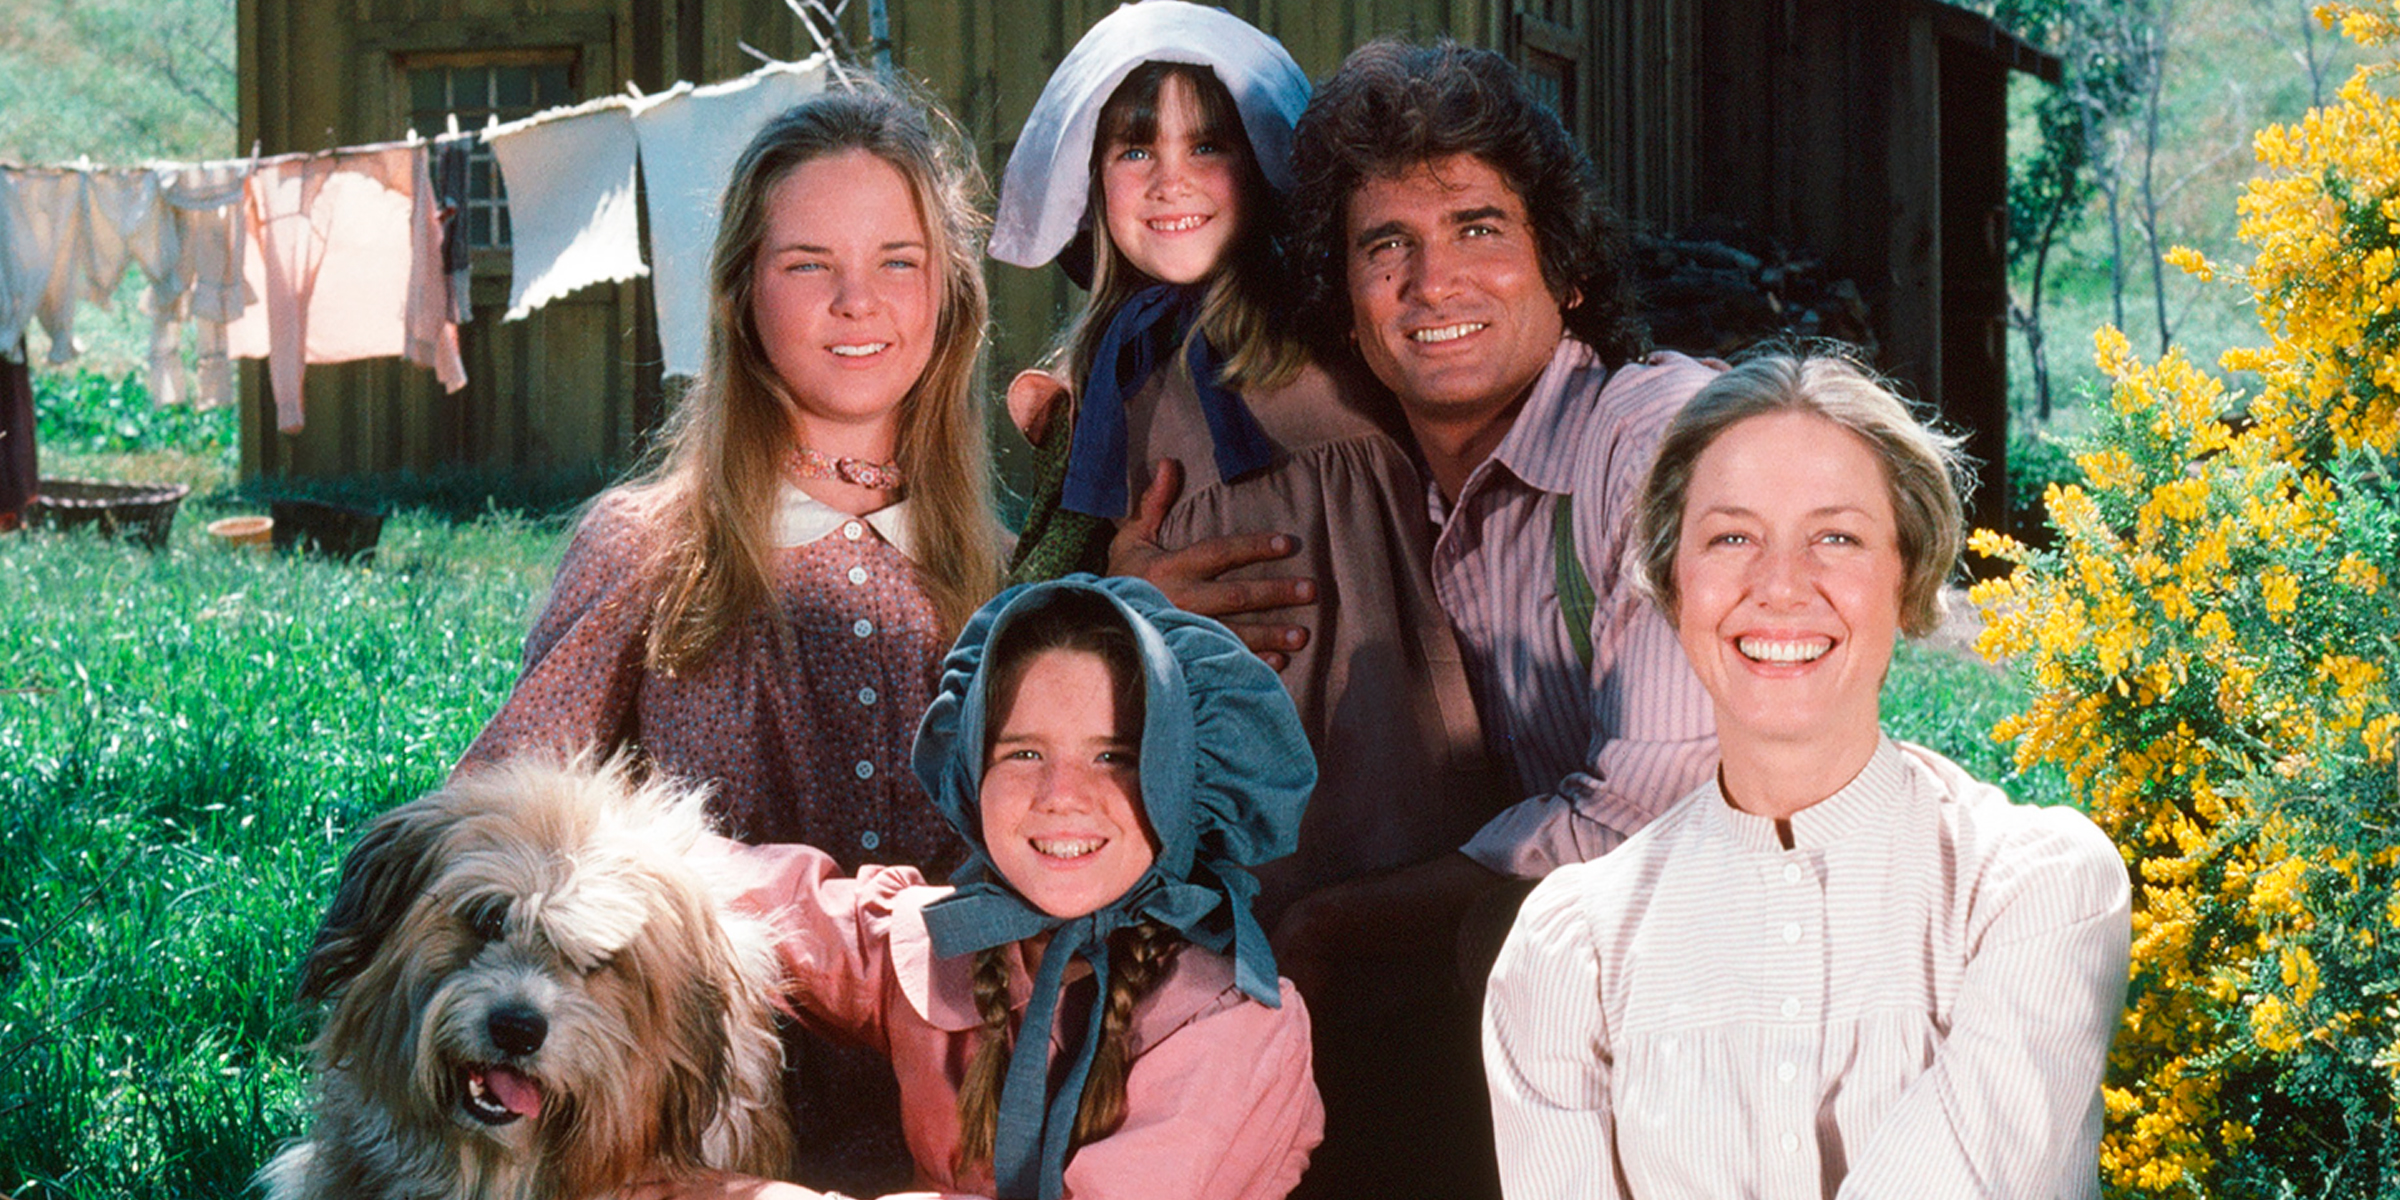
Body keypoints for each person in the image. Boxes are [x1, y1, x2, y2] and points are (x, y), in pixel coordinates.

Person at [455, 87, 1005, 1194]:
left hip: (953, 1125)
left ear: (950, 299)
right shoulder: (650, 549)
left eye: (899, 261)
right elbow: (499, 826)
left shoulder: (1002, 575)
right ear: (742, 293)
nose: (859, 303)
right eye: (808, 263)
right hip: (686, 1129)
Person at [1482, 353, 2131, 1198]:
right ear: (1675, 587)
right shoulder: (1571, 952)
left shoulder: (2031, 890)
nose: (1781, 586)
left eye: (1837, 537)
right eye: (1732, 537)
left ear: (1909, 577)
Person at [1258, 41, 1722, 1197]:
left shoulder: (1657, 440)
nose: (1436, 283)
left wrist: (1345, 921)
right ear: (1348, 309)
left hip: (1728, 982)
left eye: (1478, 228)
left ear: (1563, 270)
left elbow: (1647, 814)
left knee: (1502, 940)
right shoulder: (1390, 495)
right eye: (1387, 247)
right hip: (1521, 1004)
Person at [988, 5, 1504, 935]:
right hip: (1214, 781)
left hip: (1390, 754)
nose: (1171, 181)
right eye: (1135, 151)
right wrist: (1119, 598)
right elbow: (1022, 616)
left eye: (1209, 145)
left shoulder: (1349, 327)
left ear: (1263, 163)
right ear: (1093, 181)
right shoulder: (1101, 389)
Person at [656, 576, 1325, 1200]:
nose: (1062, 797)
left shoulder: (1233, 1027)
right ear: (971, 764)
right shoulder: (936, 943)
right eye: (1024, 753)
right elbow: (731, 883)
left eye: (1114, 756)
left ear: (1183, 780)